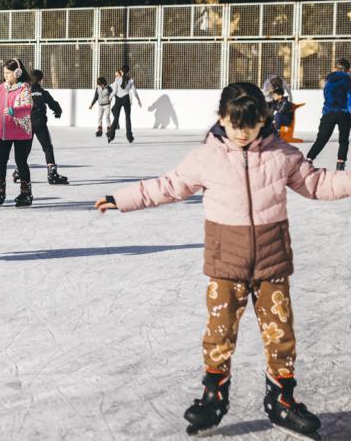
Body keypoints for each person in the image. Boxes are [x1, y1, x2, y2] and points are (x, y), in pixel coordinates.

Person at [95, 82, 351, 439]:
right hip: (225, 262)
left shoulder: (282, 154)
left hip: (271, 261)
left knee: (280, 335)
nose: (243, 133)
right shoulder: (207, 157)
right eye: (235, 125)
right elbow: (168, 186)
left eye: (250, 125)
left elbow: (318, 183)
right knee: (219, 333)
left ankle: (281, 399)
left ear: (264, 119)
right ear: (222, 118)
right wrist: (121, 198)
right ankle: (214, 395)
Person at [0, 58, 34, 207]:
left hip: (21, 130)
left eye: (8, 73)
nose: (5, 75)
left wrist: (14, 111)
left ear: (17, 73)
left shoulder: (24, 88)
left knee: (20, 161)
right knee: (0, 161)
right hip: (4, 131)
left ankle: (26, 192)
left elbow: (27, 107)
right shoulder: (1, 88)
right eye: (4, 72)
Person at [12, 69, 68, 185]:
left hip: (26, 123)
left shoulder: (24, 91)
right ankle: (52, 173)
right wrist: (58, 112)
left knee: (25, 149)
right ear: (41, 79)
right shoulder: (43, 92)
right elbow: (53, 104)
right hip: (40, 124)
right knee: (47, 147)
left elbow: (15, 104)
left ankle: (18, 170)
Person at [306, 58, 351, 171]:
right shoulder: (348, 81)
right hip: (344, 112)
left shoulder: (329, 81)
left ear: (336, 68)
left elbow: (326, 96)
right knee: (343, 140)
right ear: (348, 69)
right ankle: (340, 165)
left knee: (322, 138)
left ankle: (309, 160)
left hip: (329, 112)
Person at [107, 67, 141, 143]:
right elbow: (134, 92)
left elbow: (115, 91)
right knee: (128, 118)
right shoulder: (130, 80)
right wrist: (138, 100)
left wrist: (110, 97)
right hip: (126, 99)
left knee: (116, 118)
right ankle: (129, 137)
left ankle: (111, 136)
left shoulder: (117, 79)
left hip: (118, 100)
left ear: (121, 71)